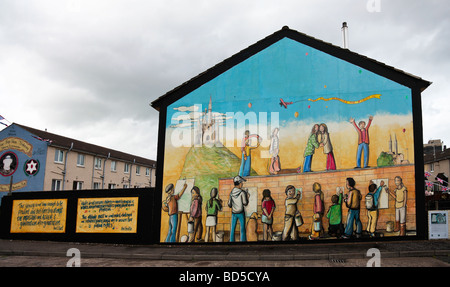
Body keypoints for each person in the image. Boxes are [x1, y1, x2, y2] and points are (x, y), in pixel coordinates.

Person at [228, 175, 249, 242]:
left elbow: (229, 204)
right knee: (242, 228)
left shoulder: (231, 193)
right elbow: (245, 203)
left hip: (234, 213)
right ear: (239, 183)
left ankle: (231, 241)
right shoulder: (242, 192)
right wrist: (247, 196)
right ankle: (242, 241)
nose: (242, 184)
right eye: (241, 182)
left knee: (232, 228)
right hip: (241, 213)